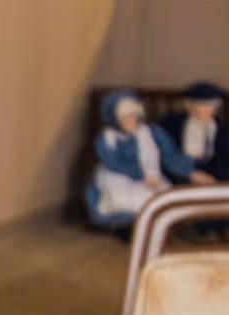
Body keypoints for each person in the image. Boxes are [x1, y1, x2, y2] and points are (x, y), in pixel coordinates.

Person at [86, 89, 215, 232]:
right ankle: (126, 227)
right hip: (119, 176)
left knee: (158, 201)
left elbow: (170, 155)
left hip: (150, 176)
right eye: (125, 118)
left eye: (133, 116)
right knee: (119, 200)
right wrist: (142, 176)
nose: (130, 121)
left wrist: (191, 173)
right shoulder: (107, 139)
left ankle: (146, 229)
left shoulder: (152, 132)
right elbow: (114, 164)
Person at [159, 81, 229, 182]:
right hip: (178, 175)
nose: (211, 110)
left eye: (215, 105)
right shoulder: (172, 125)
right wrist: (189, 174)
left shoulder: (221, 128)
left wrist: (213, 178)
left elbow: (223, 159)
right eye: (205, 105)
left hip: (209, 176)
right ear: (189, 106)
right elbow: (166, 155)